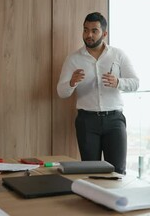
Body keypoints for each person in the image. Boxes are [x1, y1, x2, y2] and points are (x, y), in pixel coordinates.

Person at [57, 12, 139, 174]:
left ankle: (116, 200)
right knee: (90, 171)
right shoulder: (73, 59)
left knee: (118, 171)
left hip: (114, 120)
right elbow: (61, 92)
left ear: (104, 33)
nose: (89, 35)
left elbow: (135, 83)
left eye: (94, 31)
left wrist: (118, 82)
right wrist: (72, 82)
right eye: (86, 30)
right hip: (87, 121)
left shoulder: (118, 55)